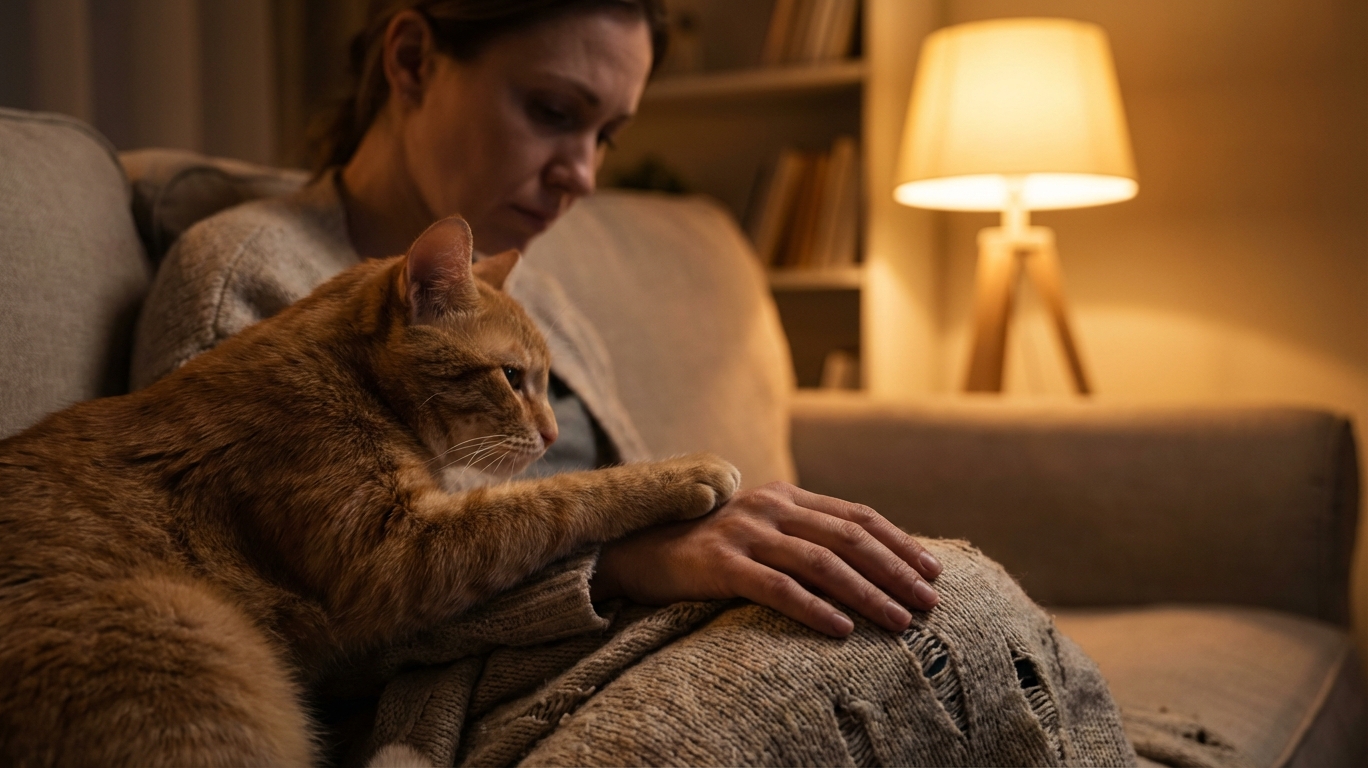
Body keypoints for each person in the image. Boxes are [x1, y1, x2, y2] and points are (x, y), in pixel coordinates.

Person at [131, 1, 1134, 765]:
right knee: (949, 616)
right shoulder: (247, 275)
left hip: (634, 652)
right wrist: (631, 560)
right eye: (554, 111)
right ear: (411, 60)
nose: (584, 174)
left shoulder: (532, 298)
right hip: (477, 714)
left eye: (605, 133)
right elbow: (290, 626)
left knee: (927, 592)